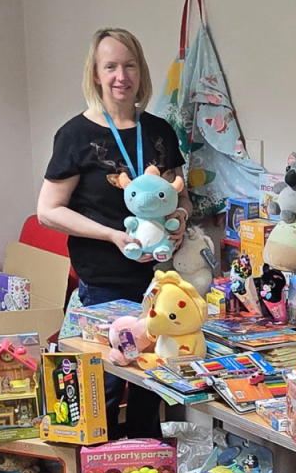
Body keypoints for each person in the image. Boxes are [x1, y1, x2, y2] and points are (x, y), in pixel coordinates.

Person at [37, 28, 191, 440]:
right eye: (111, 66)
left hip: (158, 284)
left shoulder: (160, 131)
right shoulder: (75, 135)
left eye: (129, 65)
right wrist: (111, 236)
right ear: (96, 74)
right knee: (100, 394)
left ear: (140, 71)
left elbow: (182, 198)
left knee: (151, 389)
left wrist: (177, 227)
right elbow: (47, 211)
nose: (121, 76)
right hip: (102, 288)